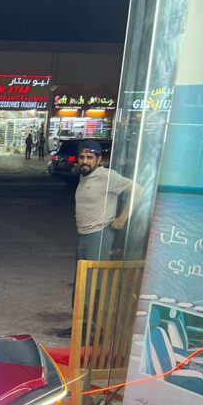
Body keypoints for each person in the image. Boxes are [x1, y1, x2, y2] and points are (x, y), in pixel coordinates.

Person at [57, 140, 134, 337]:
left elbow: (138, 191)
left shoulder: (107, 176)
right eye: (82, 157)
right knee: (82, 282)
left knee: (93, 284)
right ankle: (80, 324)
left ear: (99, 160)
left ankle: (95, 329)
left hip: (99, 236)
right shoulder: (85, 177)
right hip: (84, 235)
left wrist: (121, 219)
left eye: (90, 158)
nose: (85, 161)